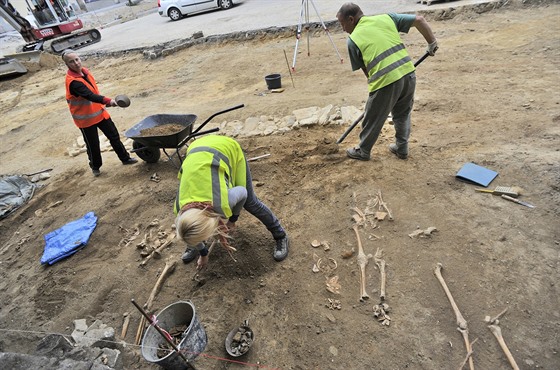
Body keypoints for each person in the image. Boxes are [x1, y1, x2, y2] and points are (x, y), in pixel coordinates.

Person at [336, 3, 438, 161]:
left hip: (386, 81)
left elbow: (368, 72)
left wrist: (377, 97)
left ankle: (363, 151)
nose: (343, 29)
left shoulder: (353, 41)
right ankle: (402, 148)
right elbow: (419, 19)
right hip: (408, 73)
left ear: (351, 19)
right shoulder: (386, 18)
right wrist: (432, 43)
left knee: (372, 117)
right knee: (402, 114)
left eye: (342, 24)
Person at [174, 135, 289, 270]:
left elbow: (243, 193)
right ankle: (193, 240)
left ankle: (281, 235)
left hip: (226, 149)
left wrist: (233, 219)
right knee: (191, 231)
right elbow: (190, 225)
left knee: (251, 203)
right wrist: (203, 253)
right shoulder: (180, 211)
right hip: (197, 151)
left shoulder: (222, 203)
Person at [62, 49, 137, 176]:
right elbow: (90, 96)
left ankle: (125, 158)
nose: (76, 63)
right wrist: (109, 101)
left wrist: (105, 104)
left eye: (77, 59)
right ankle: (95, 166)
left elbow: (94, 93)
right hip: (86, 119)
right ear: (67, 65)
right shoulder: (73, 82)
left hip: (99, 113)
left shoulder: (85, 72)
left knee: (114, 136)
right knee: (93, 145)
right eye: (71, 62)